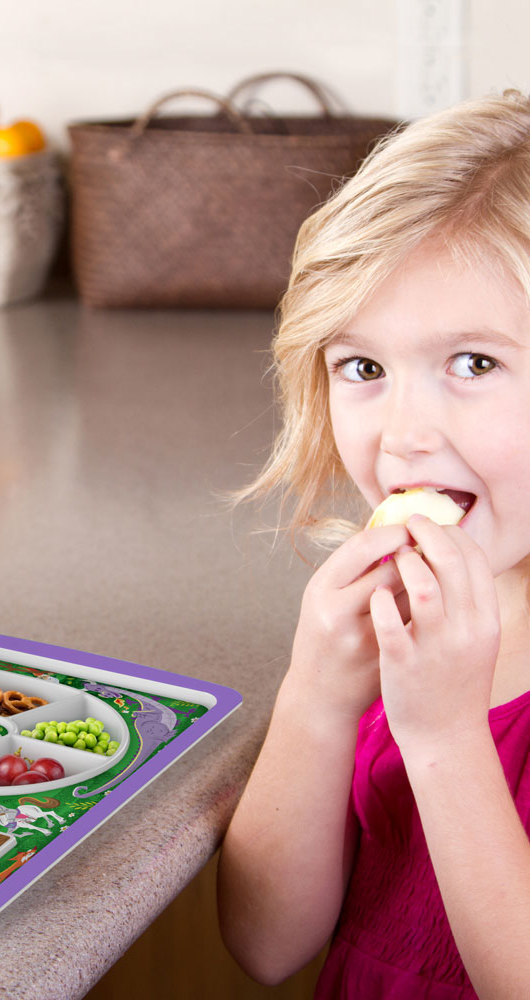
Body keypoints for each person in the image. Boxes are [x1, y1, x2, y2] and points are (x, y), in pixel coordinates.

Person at [217, 90, 530, 999]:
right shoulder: (403, 616)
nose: (401, 437)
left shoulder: (434, 690)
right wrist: (316, 694)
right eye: (364, 367)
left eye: (473, 364)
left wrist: (442, 738)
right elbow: (267, 943)